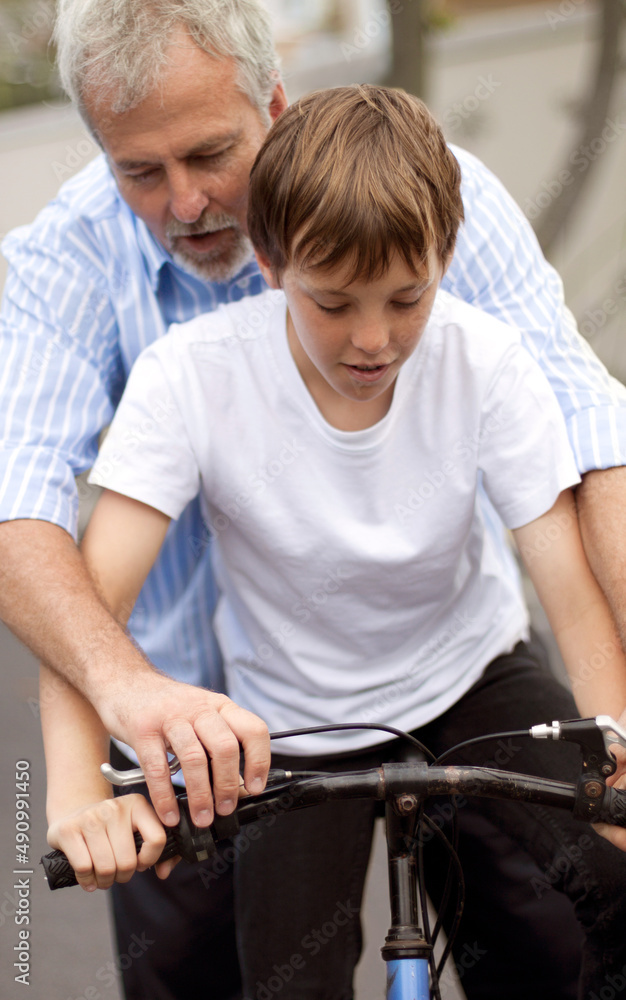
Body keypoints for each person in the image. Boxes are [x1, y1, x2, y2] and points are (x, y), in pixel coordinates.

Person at [0, 0, 622, 995]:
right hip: (221, 717)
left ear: (271, 105)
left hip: (462, 669)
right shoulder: (158, 348)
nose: (188, 201)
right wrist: (76, 787)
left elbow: (584, 461)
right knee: (233, 973)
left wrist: (615, 731)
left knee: (563, 924)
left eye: (210, 154)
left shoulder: (444, 247)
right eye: (139, 172)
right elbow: (33, 536)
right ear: (274, 269)